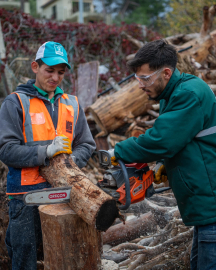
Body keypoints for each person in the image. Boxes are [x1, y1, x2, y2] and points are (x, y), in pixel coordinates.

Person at [110, 39, 216, 270]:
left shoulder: (189, 93)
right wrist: (165, 166)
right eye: (138, 78)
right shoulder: (172, 93)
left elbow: (162, 140)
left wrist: (118, 151)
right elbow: (186, 138)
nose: (140, 85)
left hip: (211, 203)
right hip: (203, 206)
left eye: (145, 78)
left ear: (166, 72)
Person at [0, 41, 96, 270]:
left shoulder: (71, 103)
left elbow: (86, 144)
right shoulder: (16, 102)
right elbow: (6, 150)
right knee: (25, 257)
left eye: (60, 72)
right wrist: (46, 152)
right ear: (35, 66)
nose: (55, 77)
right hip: (26, 193)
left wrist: (70, 163)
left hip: (64, 191)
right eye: (49, 70)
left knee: (67, 253)